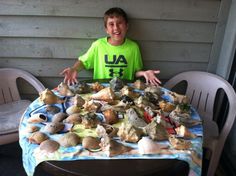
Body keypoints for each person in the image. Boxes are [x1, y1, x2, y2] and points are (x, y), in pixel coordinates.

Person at [61, 7, 161, 86]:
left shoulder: (133, 47)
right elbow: (83, 62)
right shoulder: (98, 45)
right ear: (106, 29)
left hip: (124, 90)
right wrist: (74, 69)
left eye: (120, 23)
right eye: (111, 24)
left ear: (126, 26)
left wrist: (144, 73)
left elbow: (135, 72)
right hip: (101, 89)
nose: (116, 28)